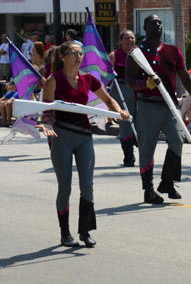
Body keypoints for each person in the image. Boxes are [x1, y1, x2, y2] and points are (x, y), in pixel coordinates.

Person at [37, 41, 130, 247]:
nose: (79, 57)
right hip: (61, 136)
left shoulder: (89, 79)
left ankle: (85, 231)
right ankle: (65, 233)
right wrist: (46, 124)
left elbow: (108, 101)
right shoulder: (53, 81)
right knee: (65, 186)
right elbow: (46, 111)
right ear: (62, 57)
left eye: (81, 53)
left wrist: (118, 112)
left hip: (84, 136)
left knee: (87, 185)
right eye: (73, 53)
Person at [126, 14, 191, 204]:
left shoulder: (173, 51)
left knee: (178, 140)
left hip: (169, 105)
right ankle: (149, 190)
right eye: (153, 23)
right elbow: (130, 80)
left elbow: (185, 77)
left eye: (160, 23)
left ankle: (167, 182)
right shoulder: (136, 53)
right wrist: (145, 83)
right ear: (144, 28)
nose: (157, 26)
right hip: (147, 105)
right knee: (147, 149)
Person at [109, 29, 137, 167]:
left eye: (132, 38)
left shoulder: (139, 54)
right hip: (120, 92)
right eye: (127, 38)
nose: (130, 41)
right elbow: (107, 77)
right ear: (121, 41)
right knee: (126, 125)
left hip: (137, 92)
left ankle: (137, 142)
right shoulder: (114, 56)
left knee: (140, 123)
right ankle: (128, 157)